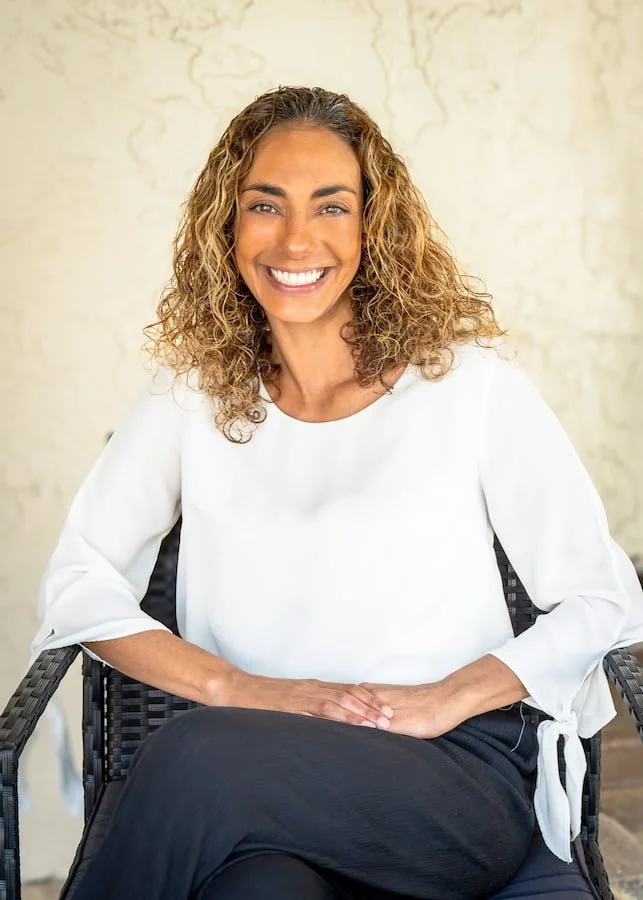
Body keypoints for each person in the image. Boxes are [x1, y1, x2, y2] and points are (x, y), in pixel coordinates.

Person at [30, 86, 643, 900]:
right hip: (262, 773)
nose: (295, 238)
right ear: (226, 225)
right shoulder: (191, 397)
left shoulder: (468, 386)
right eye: (264, 205)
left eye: (331, 206)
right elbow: (77, 584)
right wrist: (237, 690)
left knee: (187, 754)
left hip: (452, 778)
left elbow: (604, 599)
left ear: (372, 226)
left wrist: (443, 700)